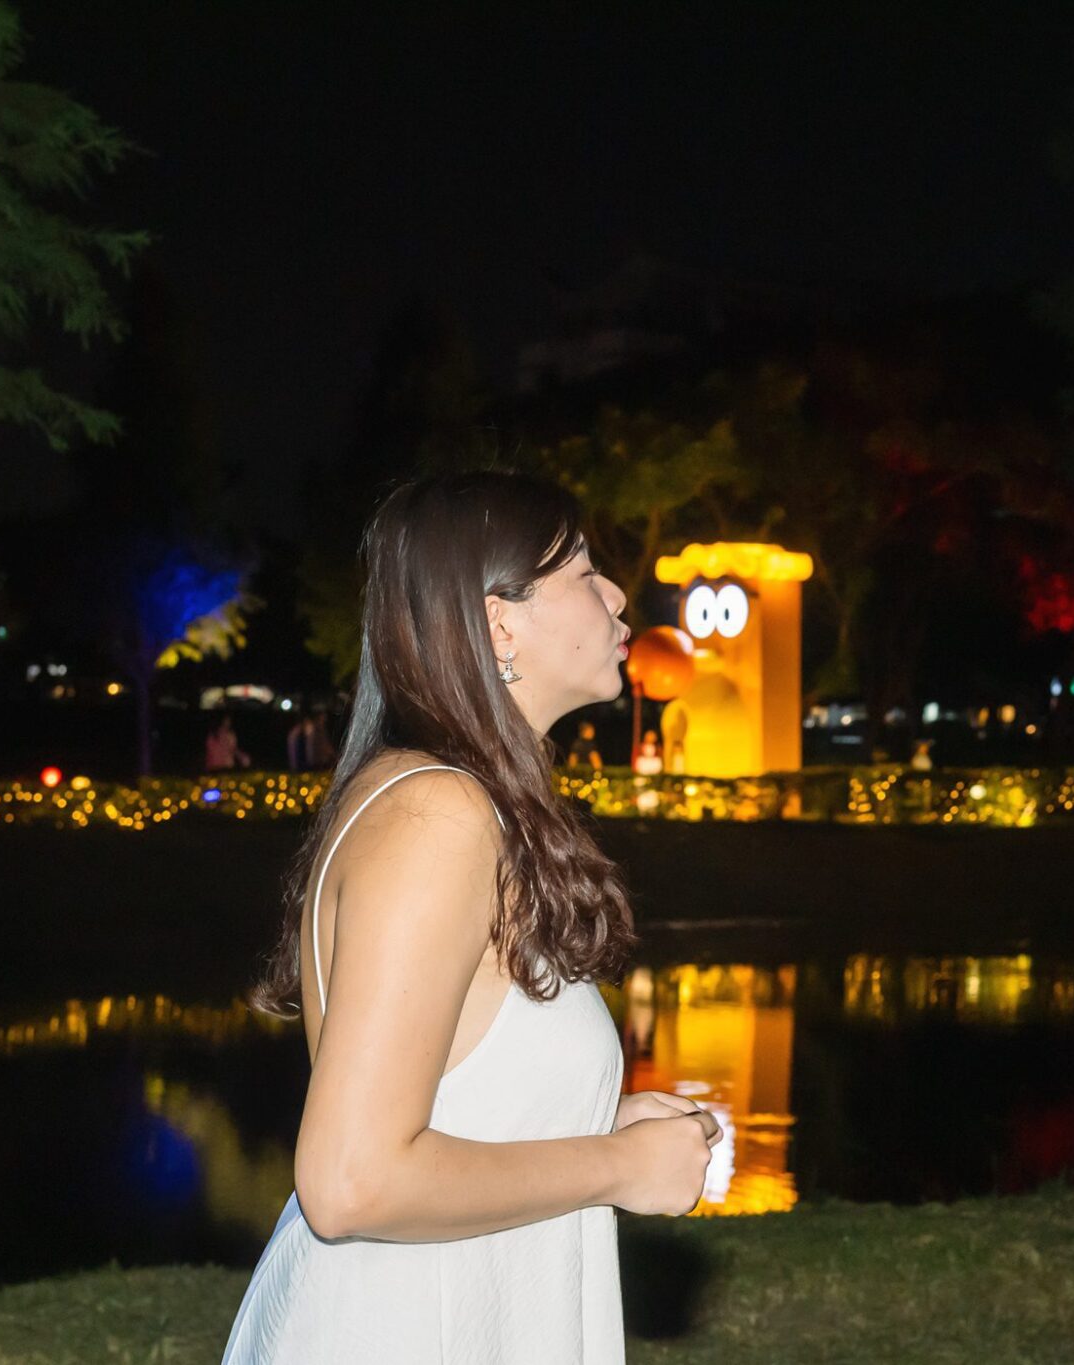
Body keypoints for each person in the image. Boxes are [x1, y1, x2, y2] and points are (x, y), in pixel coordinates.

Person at [222, 471, 717, 1364]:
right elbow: (351, 1178)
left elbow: (449, 1095)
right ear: (500, 624)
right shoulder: (437, 814)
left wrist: (591, 1119)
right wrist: (619, 1167)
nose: (617, 597)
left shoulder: (446, 799)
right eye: (584, 572)